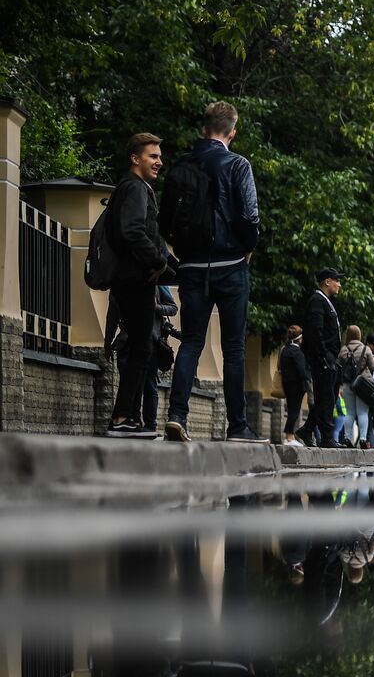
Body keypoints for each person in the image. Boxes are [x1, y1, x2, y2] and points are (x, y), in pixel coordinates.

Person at [163, 101, 263, 444]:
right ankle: (237, 427)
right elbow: (249, 216)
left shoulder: (181, 166)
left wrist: (181, 250)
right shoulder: (237, 165)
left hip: (191, 266)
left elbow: (165, 220)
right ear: (232, 133)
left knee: (191, 341)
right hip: (231, 265)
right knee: (233, 347)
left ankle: (176, 415)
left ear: (203, 129)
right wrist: (247, 248)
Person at [105, 133, 175, 439]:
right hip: (136, 278)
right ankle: (122, 417)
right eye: (152, 156)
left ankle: (130, 418)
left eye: (159, 156)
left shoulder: (133, 187)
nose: (159, 161)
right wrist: (159, 263)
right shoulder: (134, 188)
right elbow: (133, 231)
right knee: (141, 349)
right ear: (135, 158)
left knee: (139, 348)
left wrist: (167, 263)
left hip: (132, 276)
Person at [106, 283, 179, 437]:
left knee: (149, 384)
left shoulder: (157, 282)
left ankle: (149, 425)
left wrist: (156, 307)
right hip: (126, 342)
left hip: (151, 341)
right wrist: (108, 343)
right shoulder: (120, 282)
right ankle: (130, 420)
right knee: (129, 381)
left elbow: (173, 308)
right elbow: (112, 314)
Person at [297, 267, 342, 447]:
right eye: (336, 280)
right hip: (323, 359)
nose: (339, 284)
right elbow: (315, 331)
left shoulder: (325, 301)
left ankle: (307, 430)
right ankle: (327, 438)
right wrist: (324, 357)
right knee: (326, 398)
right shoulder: (317, 301)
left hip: (330, 358)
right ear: (327, 282)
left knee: (327, 398)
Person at [337, 326, 374, 448]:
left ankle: (348, 438)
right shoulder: (366, 349)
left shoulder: (343, 350)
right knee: (363, 413)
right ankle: (363, 439)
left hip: (348, 384)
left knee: (349, 413)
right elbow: (373, 366)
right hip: (363, 385)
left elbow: (338, 367)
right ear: (359, 335)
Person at [278, 325, 310, 447]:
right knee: (294, 411)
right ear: (299, 339)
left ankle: (289, 436)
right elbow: (302, 371)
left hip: (286, 384)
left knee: (291, 409)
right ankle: (289, 437)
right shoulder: (297, 352)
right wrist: (307, 378)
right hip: (297, 386)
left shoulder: (284, 350)